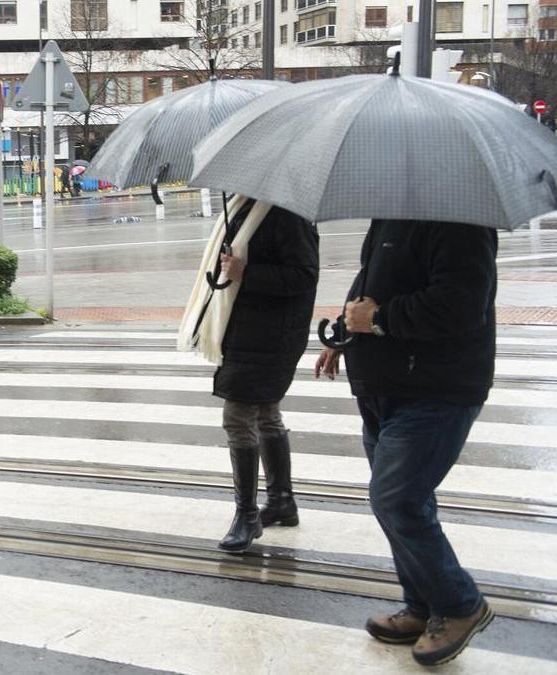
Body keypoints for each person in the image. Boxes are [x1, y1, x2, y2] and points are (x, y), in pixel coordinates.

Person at [316, 219, 496, 666]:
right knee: (406, 505)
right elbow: (371, 283)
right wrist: (343, 333)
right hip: (385, 387)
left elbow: (462, 304)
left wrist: (377, 320)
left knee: (396, 501)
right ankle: (422, 606)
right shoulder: (392, 214)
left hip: (436, 390)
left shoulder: (460, 221)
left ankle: (460, 604)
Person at [212, 200, 319, 553]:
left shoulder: (288, 213)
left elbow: (305, 274)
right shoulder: (244, 208)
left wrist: (246, 272)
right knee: (266, 413)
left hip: (273, 334)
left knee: (237, 417)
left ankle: (247, 515)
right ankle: (282, 501)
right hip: (247, 329)